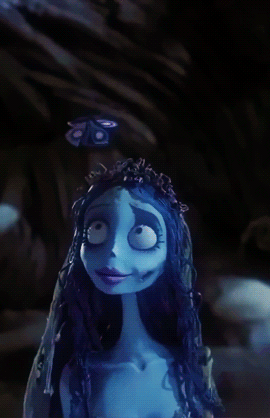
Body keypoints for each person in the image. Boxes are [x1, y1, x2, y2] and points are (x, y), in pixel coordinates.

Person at [23, 158, 222, 418]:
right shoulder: (80, 378)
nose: (114, 251)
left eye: (141, 233)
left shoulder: (192, 368)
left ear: (171, 251)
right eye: (97, 229)